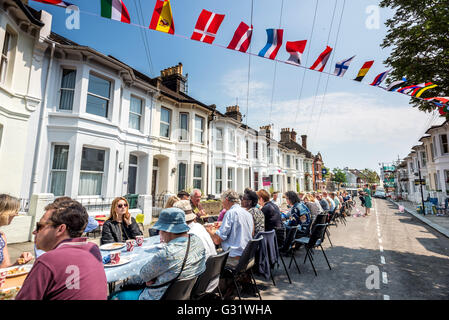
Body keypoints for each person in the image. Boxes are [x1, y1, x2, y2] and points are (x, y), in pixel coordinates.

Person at [16, 200, 108, 300]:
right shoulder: (93, 249)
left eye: (40, 226)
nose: (34, 232)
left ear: (60, 229)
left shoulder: (47, 261)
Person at [111, 208, 206, 300]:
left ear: (167, 231)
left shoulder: (167, 253)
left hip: (159, 296)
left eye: (160, 230)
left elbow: (143, 275)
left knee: (114, 295)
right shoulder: (197, 241)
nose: (159, 233)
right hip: (186, 294)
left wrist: (154, 278)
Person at [205, 190, 253, 267]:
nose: (222, 205)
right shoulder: (248, 214)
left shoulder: (230, 213)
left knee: (207, 262)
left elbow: (217, 240)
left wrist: (208, 230)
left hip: (234, 258)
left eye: (222, 202)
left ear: (226, 200)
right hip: (247, 256)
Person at [0, 194, 34, 268]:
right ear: (5, 213)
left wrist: (19, 262)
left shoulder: (2, 237)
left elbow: (4, 268)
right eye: (15, 211)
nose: (16, 215)